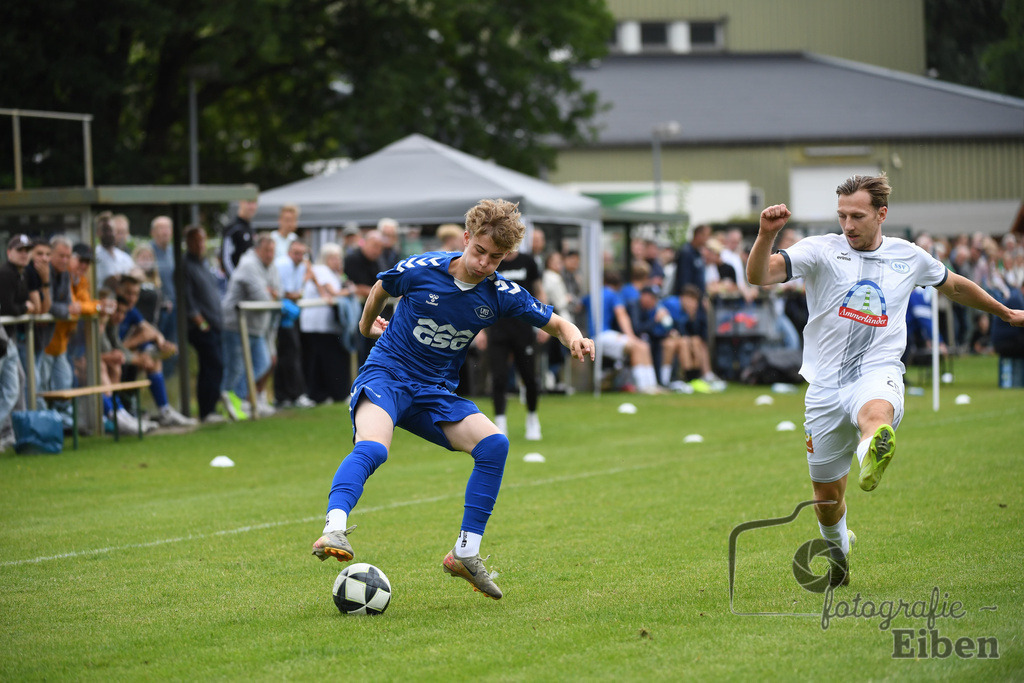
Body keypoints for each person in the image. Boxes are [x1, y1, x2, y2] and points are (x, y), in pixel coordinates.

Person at [747, 173, 1024, 588]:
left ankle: (874, 448)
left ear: (882, 213)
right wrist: (766, 235)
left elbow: (955, 286)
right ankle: (839, 545)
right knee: (826, 502)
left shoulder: (908, 256)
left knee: (875, 413)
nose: (848, 224)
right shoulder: (820, 250)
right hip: (824, 385)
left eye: (857, 215)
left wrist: (1006, 313)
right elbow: (759, 276)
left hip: (877, 370)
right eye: (842, 215)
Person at [310, 199, 595, 601]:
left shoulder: (499, 293)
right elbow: (381, 286)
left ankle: (465, 553)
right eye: (479, 251)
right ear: (466, 239)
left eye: (496, 258)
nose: (484, 264)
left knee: (494, 444)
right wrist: (365, 324)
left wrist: (575, 337)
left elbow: (555, 321)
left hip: (435, 392)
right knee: (373, 448)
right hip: (387, 375)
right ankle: (333, 529)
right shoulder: (421, 268)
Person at [115, 274, 196, 427]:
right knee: (138, 354)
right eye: (128, 293)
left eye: (135, 294)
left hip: (122, 354)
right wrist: (135, 354)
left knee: (153, 358)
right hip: (111, 357)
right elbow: (112, 347)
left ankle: (164, 411)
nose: (132, 298)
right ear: (118, 291)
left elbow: (151, 331)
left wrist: (161, 343)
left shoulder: (131, 311)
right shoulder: (115, 309)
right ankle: (119, 415)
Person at [484, 247, 546, 440]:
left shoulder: (528, 261)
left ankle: (532, 418)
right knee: (499, 378)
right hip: (497, 329)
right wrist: (479, 330)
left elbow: (539, 291)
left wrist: (544, 323)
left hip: (523, 329)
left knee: (529, 377)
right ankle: (500, 423)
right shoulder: (493, 261)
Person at [221, 235, 280, 418]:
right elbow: (262, 297)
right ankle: (230, 402)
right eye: (266, 251)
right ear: (257, 250)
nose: (270, 255)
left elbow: (280, 291)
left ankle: (237, 399)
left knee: (263, 362)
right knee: (236, 368)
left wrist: (271, 292)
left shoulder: (271, 266)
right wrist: (270, 293)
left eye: (272, 251)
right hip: (236, 325)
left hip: (257, 327)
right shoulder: (248, 265)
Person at [300, 243, 356, 404]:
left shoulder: (335, 273)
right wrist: (351, 291)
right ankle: (330, 394)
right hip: (317, 324)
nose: (337, 261)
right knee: (324, 360)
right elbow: (333, 293)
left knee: (327, 360)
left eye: (339, 257)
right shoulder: (321, 270)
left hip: (328, 325)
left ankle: (326, 394)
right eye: (333, 257)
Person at [182, 226, 227, 423]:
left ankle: (210, 409)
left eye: (202, 240)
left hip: (215, 323)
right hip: (201, 327)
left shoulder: (204, 263)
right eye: (196, 240)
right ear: (188, 242)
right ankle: (207, 410)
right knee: (213, 364)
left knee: (213, 366)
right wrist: (200, 321)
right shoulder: (186, 266)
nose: (200, 244)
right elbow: (187, 298)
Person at [275, 239, 315, 408]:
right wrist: (295, 294)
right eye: (296, 253)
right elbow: (286, 293)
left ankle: (286, 396)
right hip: (283, 316)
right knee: (289, 354)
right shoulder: (283, 264)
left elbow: (296, 292)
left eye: (301, 253)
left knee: (290, 354)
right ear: (289, 253)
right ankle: (292, 395)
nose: (299, 256)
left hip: (290, 314)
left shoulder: (301, 266)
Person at [344, 229, 386, 366]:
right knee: (361, 353)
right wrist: (383, 291)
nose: (378, 250)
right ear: (365, 243)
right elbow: (356, 287)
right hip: (356, 313)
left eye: (380, 247)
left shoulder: (378, 260)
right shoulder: (352, 259)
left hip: (376, 314)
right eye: (375, 246)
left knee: (376, 351)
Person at [149, 216, 178, 377]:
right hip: (158, 310)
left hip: (175, 308)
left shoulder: (174, 252)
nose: (165, 231)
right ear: (153, 232)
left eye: (168, 227)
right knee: (159, 347)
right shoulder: (149, 251)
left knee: (174, 347)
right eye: (161, 228)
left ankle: (169, 385)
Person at [94, 212, 136, 286]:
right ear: (98, 232)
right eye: (105, 230)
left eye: (111, 229)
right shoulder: (94, 256)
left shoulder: (124, 257)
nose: (109, 233)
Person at [220, 199, 258, 280]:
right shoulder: (232, 228)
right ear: (241, 203)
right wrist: (236, 281)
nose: (252, 207)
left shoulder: (251, 228)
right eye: (249, 202)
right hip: (238, 286)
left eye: (254, 203)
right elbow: (225, 259)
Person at [672, 223, 710, 296]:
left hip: (698, 298)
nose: (707, 239)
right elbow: (684, 280)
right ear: (699, 235)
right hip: (689, 299)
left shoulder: (697, 253)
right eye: (706, 235)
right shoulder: (686, 252)